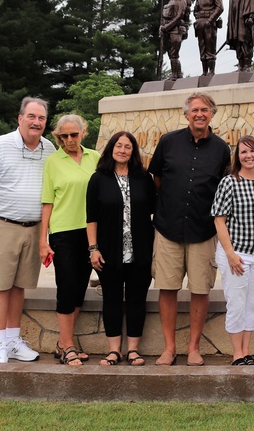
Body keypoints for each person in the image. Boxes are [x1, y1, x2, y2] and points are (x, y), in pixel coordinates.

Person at [148, 91, 231, 365]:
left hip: (203, 230)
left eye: (205, 110)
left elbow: (223, 187)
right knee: (168, 287)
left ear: (212, 114)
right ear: (186, 114)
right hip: (168, 227)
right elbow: (157, 177)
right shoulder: (168, 142)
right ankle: (169, 348)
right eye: (194, 110)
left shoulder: (221, 148)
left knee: (200, 289)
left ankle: (194, 348)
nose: (199, 114)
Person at [0, 96, 52, 364]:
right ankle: (0, 344)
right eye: (31, 116)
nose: (36, 122)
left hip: (33, 229)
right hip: (2, 226)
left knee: (19, 287)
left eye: (41, 118)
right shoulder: (0, 145)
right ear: (20, 118)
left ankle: (14, 341)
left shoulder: (49, 149)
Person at [86, 131, 156, 366]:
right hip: (108, 252)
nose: (123, 150)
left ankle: (133, 350)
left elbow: (154, 212)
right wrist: (93, 248)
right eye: (119, 146)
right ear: (111, 149)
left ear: (133, 151)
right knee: (112, 300)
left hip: (140, 253)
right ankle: (114, 350)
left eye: (128, 147)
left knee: (137, 299)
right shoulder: (98, 178)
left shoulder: (144, 178)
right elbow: (91, 218)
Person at [211, 135, 254, 366]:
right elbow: (219, 221)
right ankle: (237, 355)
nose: (248, 156)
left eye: (252, 151)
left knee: (252, 304)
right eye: (243, 152)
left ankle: (247, 351)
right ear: (237, 157)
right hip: (236, 254)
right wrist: (230, 254)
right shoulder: (229, 182)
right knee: (236, 303)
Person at [40, 114, 99, 366]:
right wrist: (43, 240)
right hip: (63, 232)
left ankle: (63, 344)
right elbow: (47, 202)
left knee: (79, 289)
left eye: (73, 135)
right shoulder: (53, 162)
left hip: (90, 232)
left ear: (83, 133)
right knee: (66, 287)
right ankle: (68, 346)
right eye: (63, 136)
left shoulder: (95, 158)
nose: (69, 140)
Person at [193, 0, 224, 76]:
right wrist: (196, 16)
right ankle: (204, 71)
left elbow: (220, 8)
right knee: (202, 47)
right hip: (200, 22)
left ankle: (211, 71)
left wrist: (210, 20)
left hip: (209, 23)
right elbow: (196, 8)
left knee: (210, 47)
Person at [160, 0, 191, 81]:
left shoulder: (181, 1)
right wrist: (162, 27)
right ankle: (178, 74)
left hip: (176, 29)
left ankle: (174, 75)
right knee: (171, 53)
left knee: (174, 53)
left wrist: (167, 26)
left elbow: (179, 16)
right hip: (168, 29)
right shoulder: (171, 1)